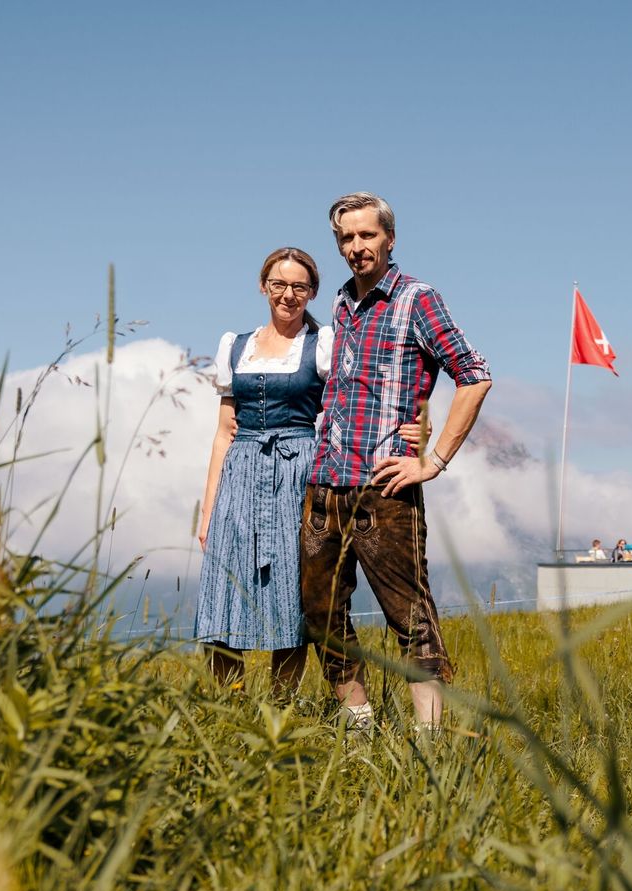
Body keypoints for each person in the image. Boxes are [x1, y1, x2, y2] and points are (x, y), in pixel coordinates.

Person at [301, 192, 492, 733]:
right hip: (324, 484)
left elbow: (474, 375)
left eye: (367, 235)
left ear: (389, 238)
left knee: (410, 619)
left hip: (384, 490)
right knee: (321, 614)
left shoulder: (417, 299)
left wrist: (433, 460)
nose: (357, 246)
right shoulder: (339, 305)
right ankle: (359, 730)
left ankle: (429, 745)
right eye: (346, 238)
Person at [194, 247, 335, 693]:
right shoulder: (235, 345)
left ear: (311, 292)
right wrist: (208, 509)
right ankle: (228, 712)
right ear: (263, 287)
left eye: (298, 286)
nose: (288, 295)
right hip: (239, 474)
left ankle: (280, 711)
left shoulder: (323, 344)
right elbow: (222, 433)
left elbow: (341, 413)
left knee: (288, 599)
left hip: (296, 475)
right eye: (279, 284)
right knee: (221, 598)